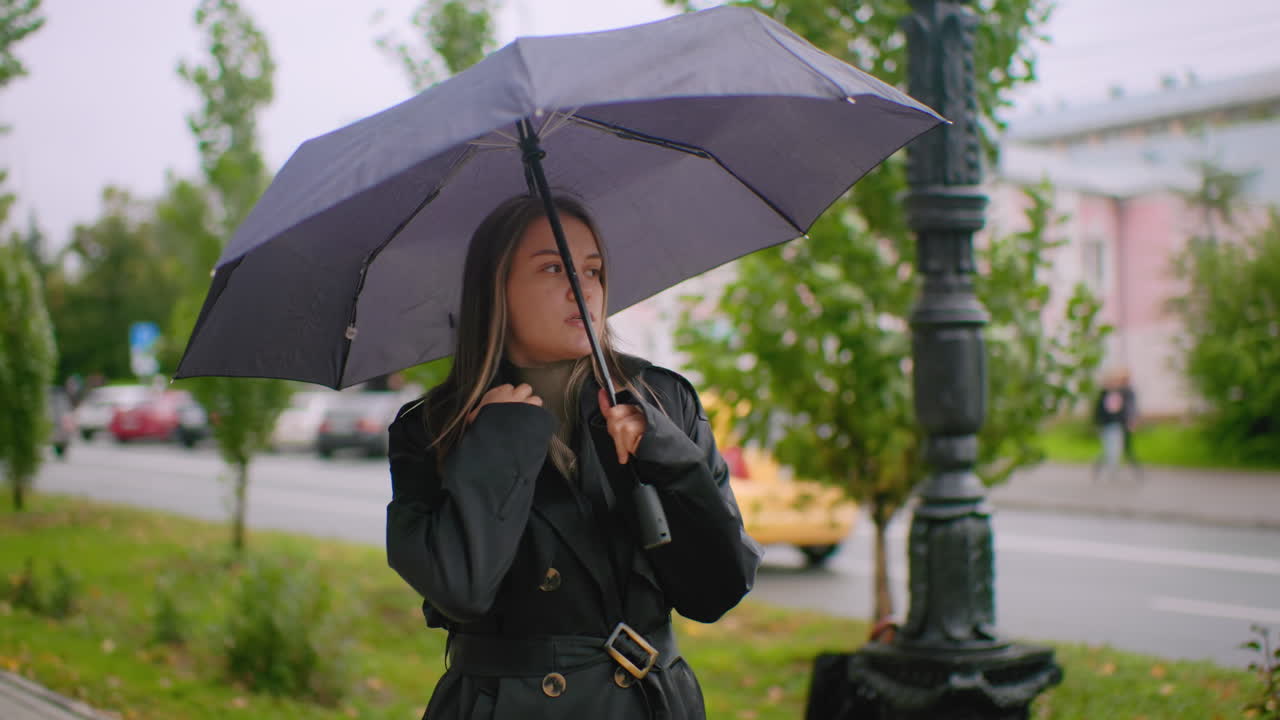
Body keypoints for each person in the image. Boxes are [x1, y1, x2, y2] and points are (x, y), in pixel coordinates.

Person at [385, 193, 763, 719]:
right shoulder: (433, 427)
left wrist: (663, 453)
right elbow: (460, 588)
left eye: (593, 270)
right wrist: (497, 445)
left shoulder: (661, 401)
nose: (582, 288)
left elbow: (716, 590)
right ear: (496, 289)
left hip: (647, 703)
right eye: (553, 268)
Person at [1092, 366, 1141, 480]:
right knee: (1110, 449)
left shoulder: (1123, 392)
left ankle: (1114, 469)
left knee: (1117, 448)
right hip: (1108, 424)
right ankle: (1111, 469)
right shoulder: (1106, 393)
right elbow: (1100, 410)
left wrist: (1130, 420)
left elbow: (1126, 409)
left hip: (1118, 424)